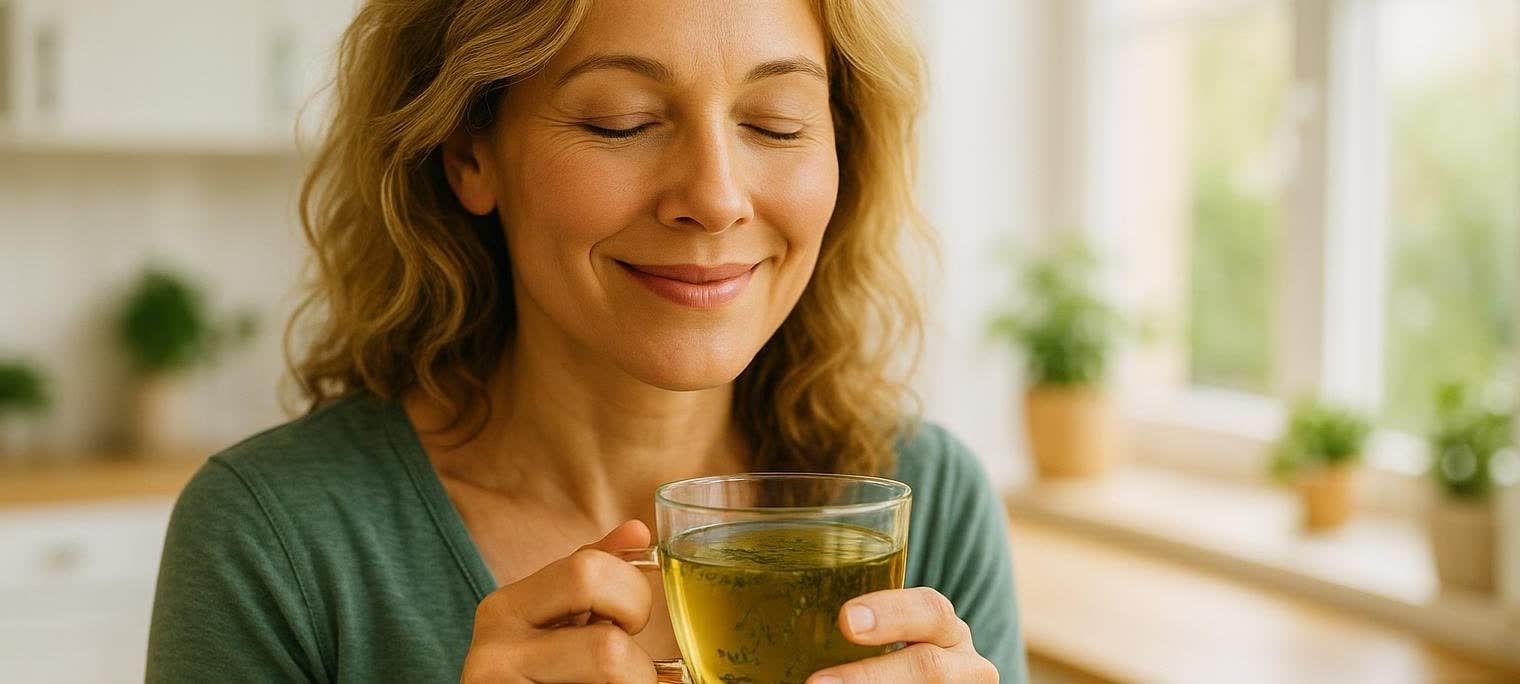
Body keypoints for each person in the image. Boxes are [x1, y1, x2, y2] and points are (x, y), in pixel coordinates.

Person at [147, 0, 1026, 681]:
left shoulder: (927, 502)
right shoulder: (274, 539)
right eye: (621, 121)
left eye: (776, 124)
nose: (715, 197)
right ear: (469, 155)